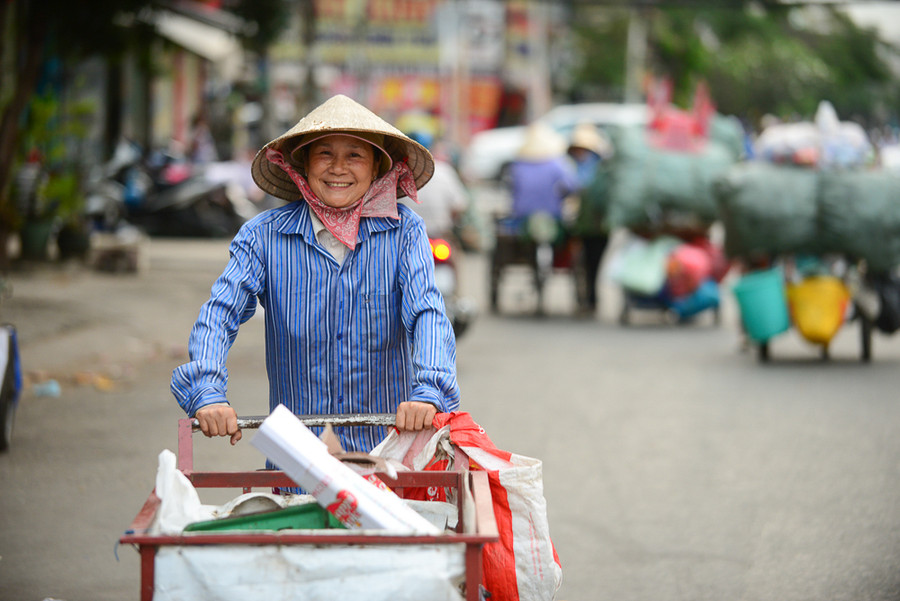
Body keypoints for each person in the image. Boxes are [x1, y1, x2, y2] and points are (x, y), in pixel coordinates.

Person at [171, 94, 461, 456]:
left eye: (355, 155)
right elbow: (220, 313)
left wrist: (429, 391)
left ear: (376, 168)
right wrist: (207, 392)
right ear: (303, 164)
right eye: (325, 153)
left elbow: (427, 313)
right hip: (297, 459)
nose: (338, 168)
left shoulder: (405, 232)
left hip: (387, 455)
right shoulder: (262, 236)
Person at [568, 123, 613, 315]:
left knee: (594, 263)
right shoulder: (571, 166)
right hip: (583, 224)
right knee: (585, 262)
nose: (580, 152)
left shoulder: (602, 170)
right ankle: (587, 298)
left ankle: (591, 298)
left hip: (599, 224)